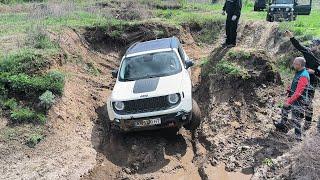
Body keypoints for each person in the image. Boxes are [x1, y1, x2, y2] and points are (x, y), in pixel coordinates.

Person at [285, 31, 320, 131]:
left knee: (308, 102)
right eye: (314, 44)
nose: (314, 46)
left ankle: (308, 122)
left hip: (313, 82)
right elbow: (299, 46)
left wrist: (315, 72)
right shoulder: (308, 53)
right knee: (298, 98)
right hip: (302, 79)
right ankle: (296, 121)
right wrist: (291, 37)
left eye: (316, 44)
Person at [274, 57, 310, 141]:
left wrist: (289, 101)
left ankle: (298, 138)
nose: (293, 64)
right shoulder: (299, 72)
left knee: (296, 119)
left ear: (299, 65)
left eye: (294, 63)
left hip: (299, 101)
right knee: (285, 108)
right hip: (294, 98)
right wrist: (289, 89)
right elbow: (295, 83)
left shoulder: (304, 75)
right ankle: (282, 125)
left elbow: (298, 92)